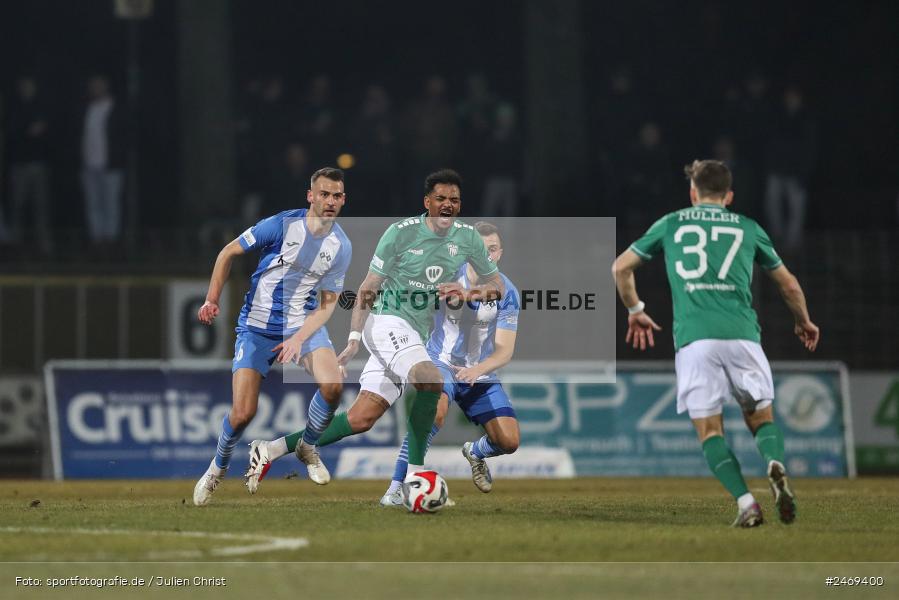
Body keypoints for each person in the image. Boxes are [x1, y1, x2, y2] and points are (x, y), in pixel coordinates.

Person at [244, 169, 505, 493]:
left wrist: (468, 294)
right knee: (430, 380)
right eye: (440, 199)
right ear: (427, 202)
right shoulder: (400, 233)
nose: (447, 205)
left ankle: (271, 449)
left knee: (361, 417)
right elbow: (368, 287)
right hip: (387, 321)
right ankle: (411, 483)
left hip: (415, 332)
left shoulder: (466, 239)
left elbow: (496, 287)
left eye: (454, 200)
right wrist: (354, 339)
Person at [612, 159, 819, 527]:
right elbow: (788, 284)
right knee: (761, 418)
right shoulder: (749, 228)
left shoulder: (672, 223)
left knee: (710, 430)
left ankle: (746, 504)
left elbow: (620, 267)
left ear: (693, 193)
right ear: (729, 196)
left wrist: (635, 309)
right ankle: (774, 463)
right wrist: (803, 321)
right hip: (744, 337)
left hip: (695, 341)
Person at [193, 167, 352, 506]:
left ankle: (307, 446)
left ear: (343, 199)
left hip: (303, 328)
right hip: (256, 328)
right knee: (242, 414)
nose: (330, 201)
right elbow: (228, 253)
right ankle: (217, 467)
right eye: (323, 194)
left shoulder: (341, 246)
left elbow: (326, 306)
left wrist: (298, 338)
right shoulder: (281, 225)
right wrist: (211, 299)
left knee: (333, 386)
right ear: (310, 196)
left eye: (336, 195)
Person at [379, 221, 521, 506]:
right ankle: (396, 488)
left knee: (509, 442)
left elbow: (504, 352)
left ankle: (476, 452)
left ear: (500, 253)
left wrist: (477, 371)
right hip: (441, 362)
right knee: (435, 412)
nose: (487, 255)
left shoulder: (508, 293)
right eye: (481, 250)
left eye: (492, 249)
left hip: (479, 373)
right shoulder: (445, 277)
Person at [81, 75, 126, 245]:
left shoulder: (115, 108)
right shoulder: (87, 108)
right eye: (93, 85)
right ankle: (96, 240)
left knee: (111, 205)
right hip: (89, 163)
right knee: (93, 205)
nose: (95, 88)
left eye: (99, 85)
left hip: (111, 164)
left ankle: (111, 240)